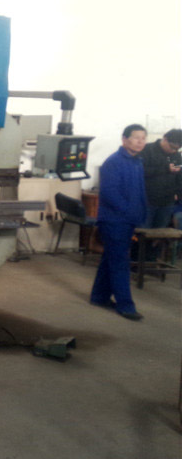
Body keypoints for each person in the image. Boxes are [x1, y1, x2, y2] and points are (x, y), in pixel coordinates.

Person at [90, 124, 147, 321]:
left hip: (128, 220)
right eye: (136, 137)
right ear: (124, 139)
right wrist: (129, 211)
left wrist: (141, 213)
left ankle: (99, 297)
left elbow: (140, 191)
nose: (140, 142)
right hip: (114, 221)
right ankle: (126, 306)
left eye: (143, 138)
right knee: (120, 263)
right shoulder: (113, 162)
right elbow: (110, 193)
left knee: (111, 259)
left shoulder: (137, 161)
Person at [139, 128, 182, 229]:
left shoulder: (176, 155)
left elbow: (179, 177)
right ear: (165, 139)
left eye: (177, 149)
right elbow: (139, 172)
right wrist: (165, 169)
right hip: (147, 201)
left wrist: (178, 194)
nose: (174, 151)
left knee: (161, 233)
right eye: (172, 147)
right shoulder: (146, 150)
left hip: (167, 202)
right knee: (143, 232)